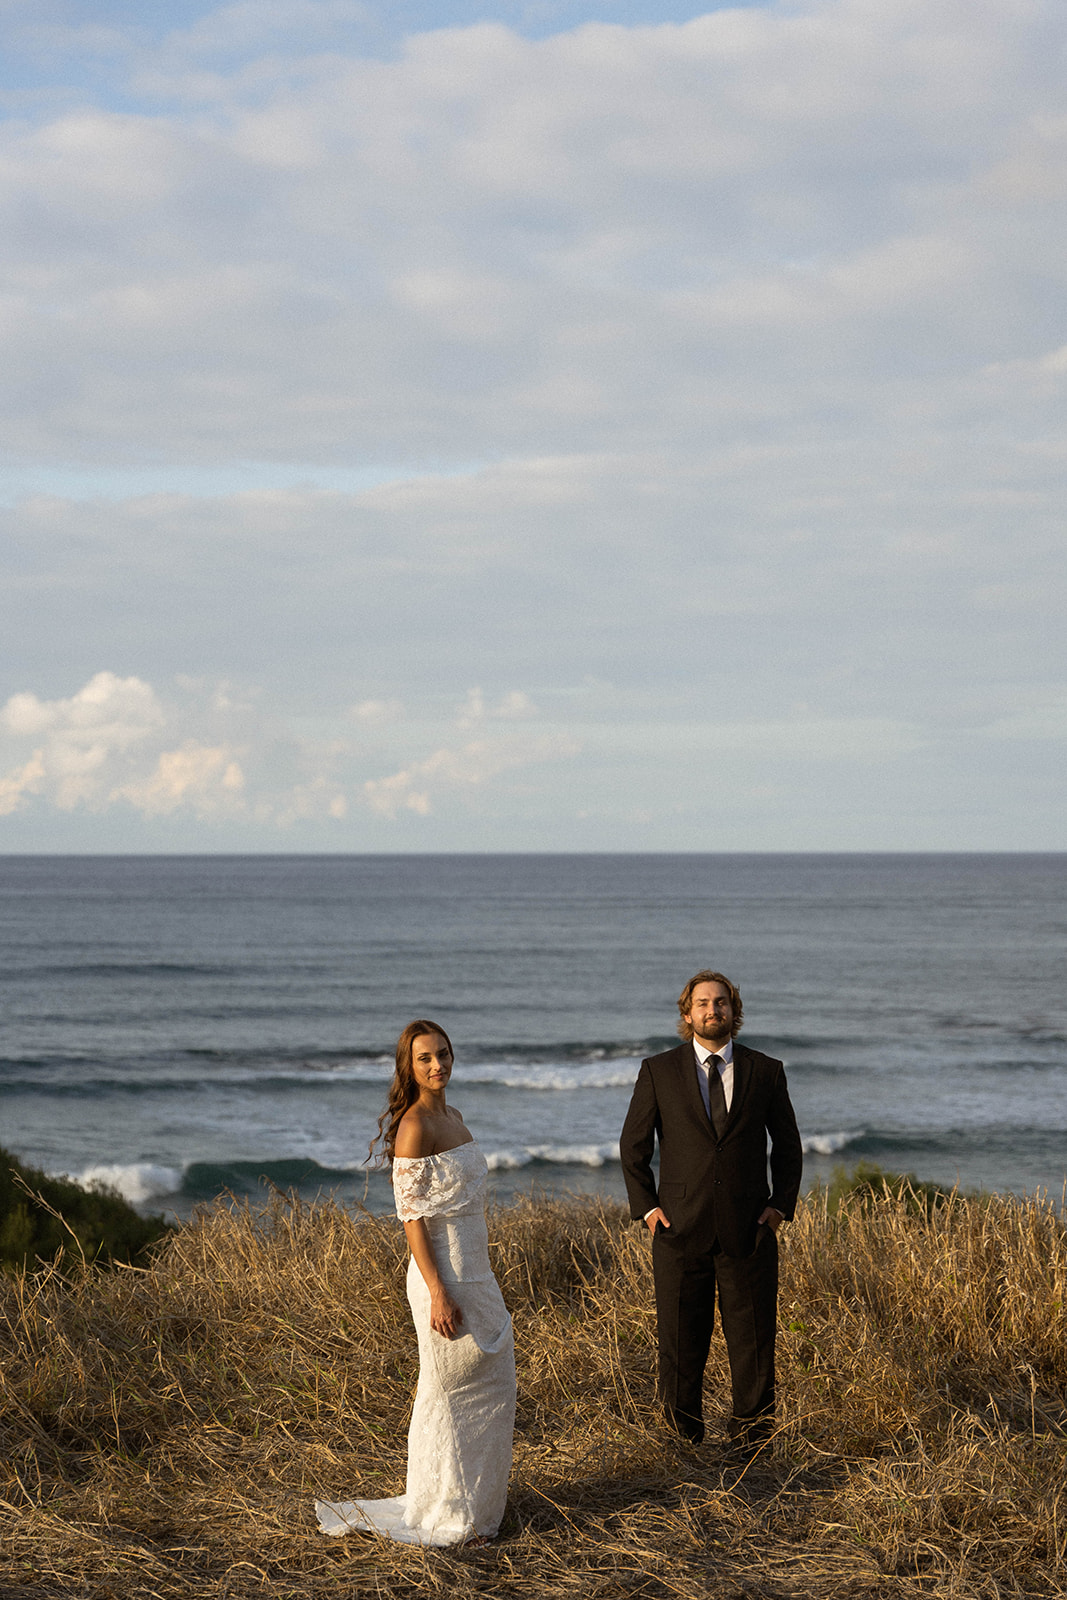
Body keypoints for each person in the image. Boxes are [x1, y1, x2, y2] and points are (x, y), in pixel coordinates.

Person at [315, 1020, 515, 1546]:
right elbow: (412, 1218)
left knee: (494, 1387)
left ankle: (478, 1506)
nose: (437, 1066)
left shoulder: (455, 1116)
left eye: (443, 1054)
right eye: (424, 1058)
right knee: (448, 1394)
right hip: (442, 1276)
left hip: (479, 1272)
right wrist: (439, 1291)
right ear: (409, 1066)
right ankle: (452, 1514)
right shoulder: (414, 1127)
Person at [619, 970, 803, 1450]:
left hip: (749, 1229)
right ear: (687, 1014)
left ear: (733, 1011)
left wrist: (780, 1207)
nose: (712, 1010)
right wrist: (648, 1209)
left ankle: (752, 1441)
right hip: (679, 1229)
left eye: (721, 1002)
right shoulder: (658, 1070)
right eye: (702, 1003)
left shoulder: (766, 1070)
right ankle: (683, 1440)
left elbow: (788, 1145)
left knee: (755, 1342)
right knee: (680, 1342)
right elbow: (632, 1145)